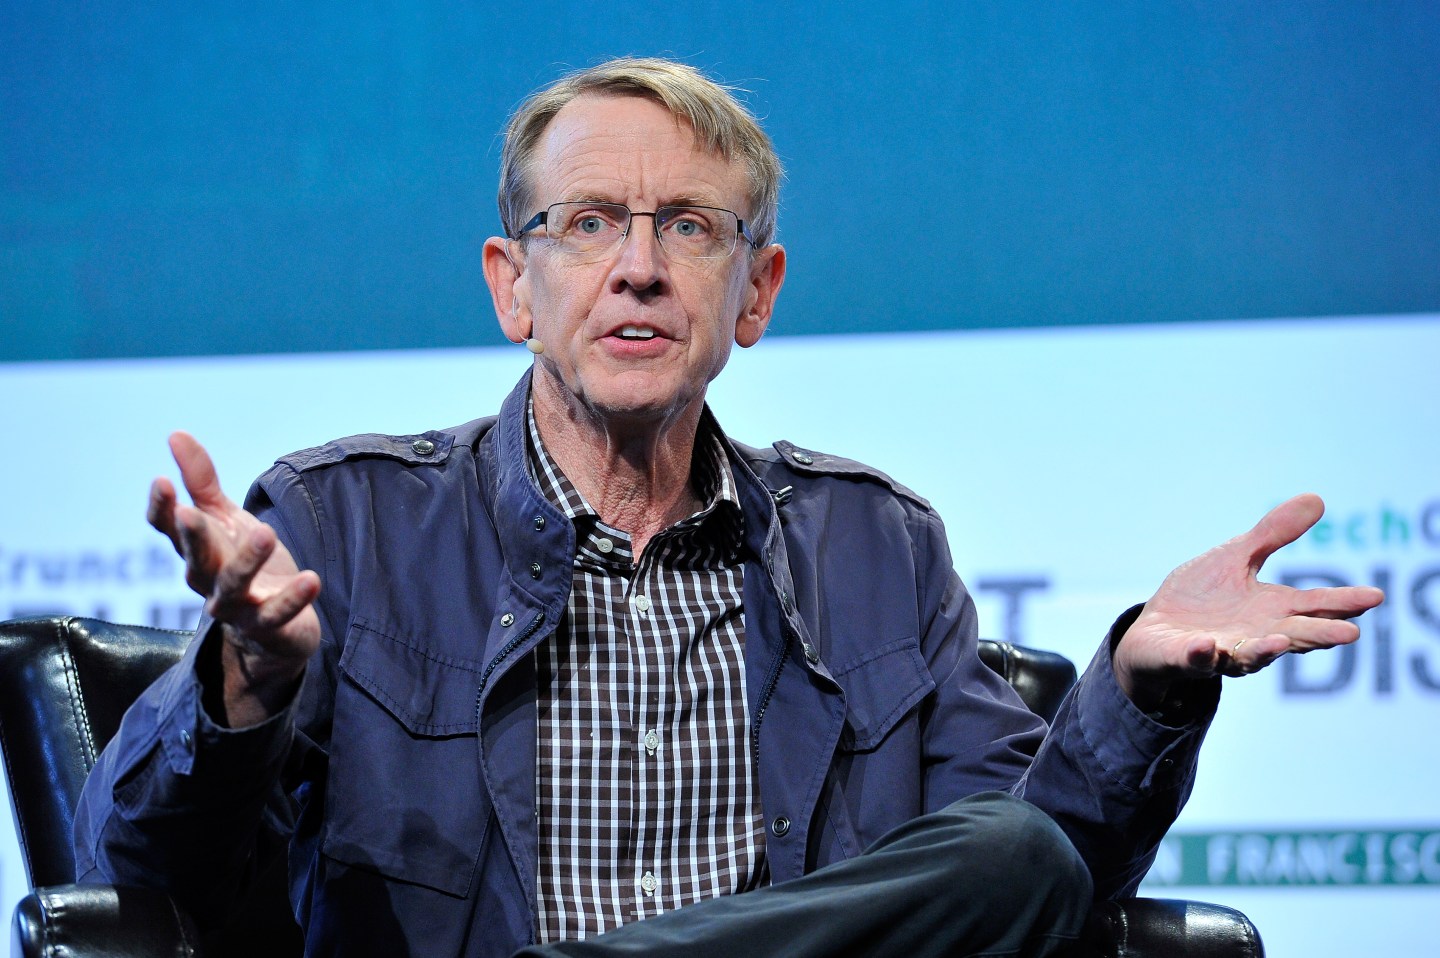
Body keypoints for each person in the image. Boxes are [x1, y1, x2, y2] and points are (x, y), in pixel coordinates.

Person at [73, 58, 1383, 958]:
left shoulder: (875, 547)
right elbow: (135, 877)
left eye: (692, 228)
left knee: (1017, 857)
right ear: (513, 285)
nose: (639, 267)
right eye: (589, 222)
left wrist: (1140, 686)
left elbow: (1035, 878)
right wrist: (243, 683)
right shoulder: (345, 521)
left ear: (755, 293)